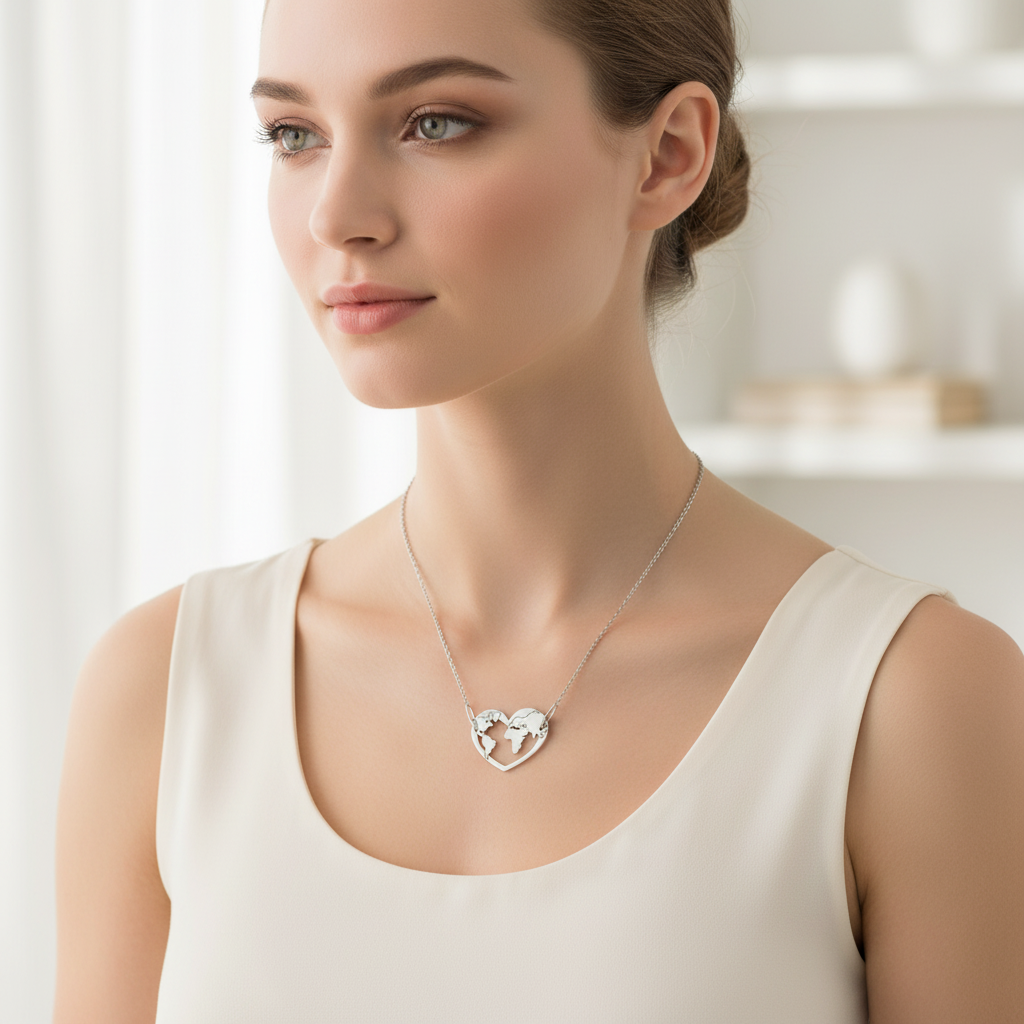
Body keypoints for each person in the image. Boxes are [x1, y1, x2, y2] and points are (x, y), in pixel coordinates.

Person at [53, 0, 1024, 1020]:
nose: (337, 214)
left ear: (666, 156)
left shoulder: (911, 704)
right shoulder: (164, 693)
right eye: (294, 135)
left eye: (436, 122)